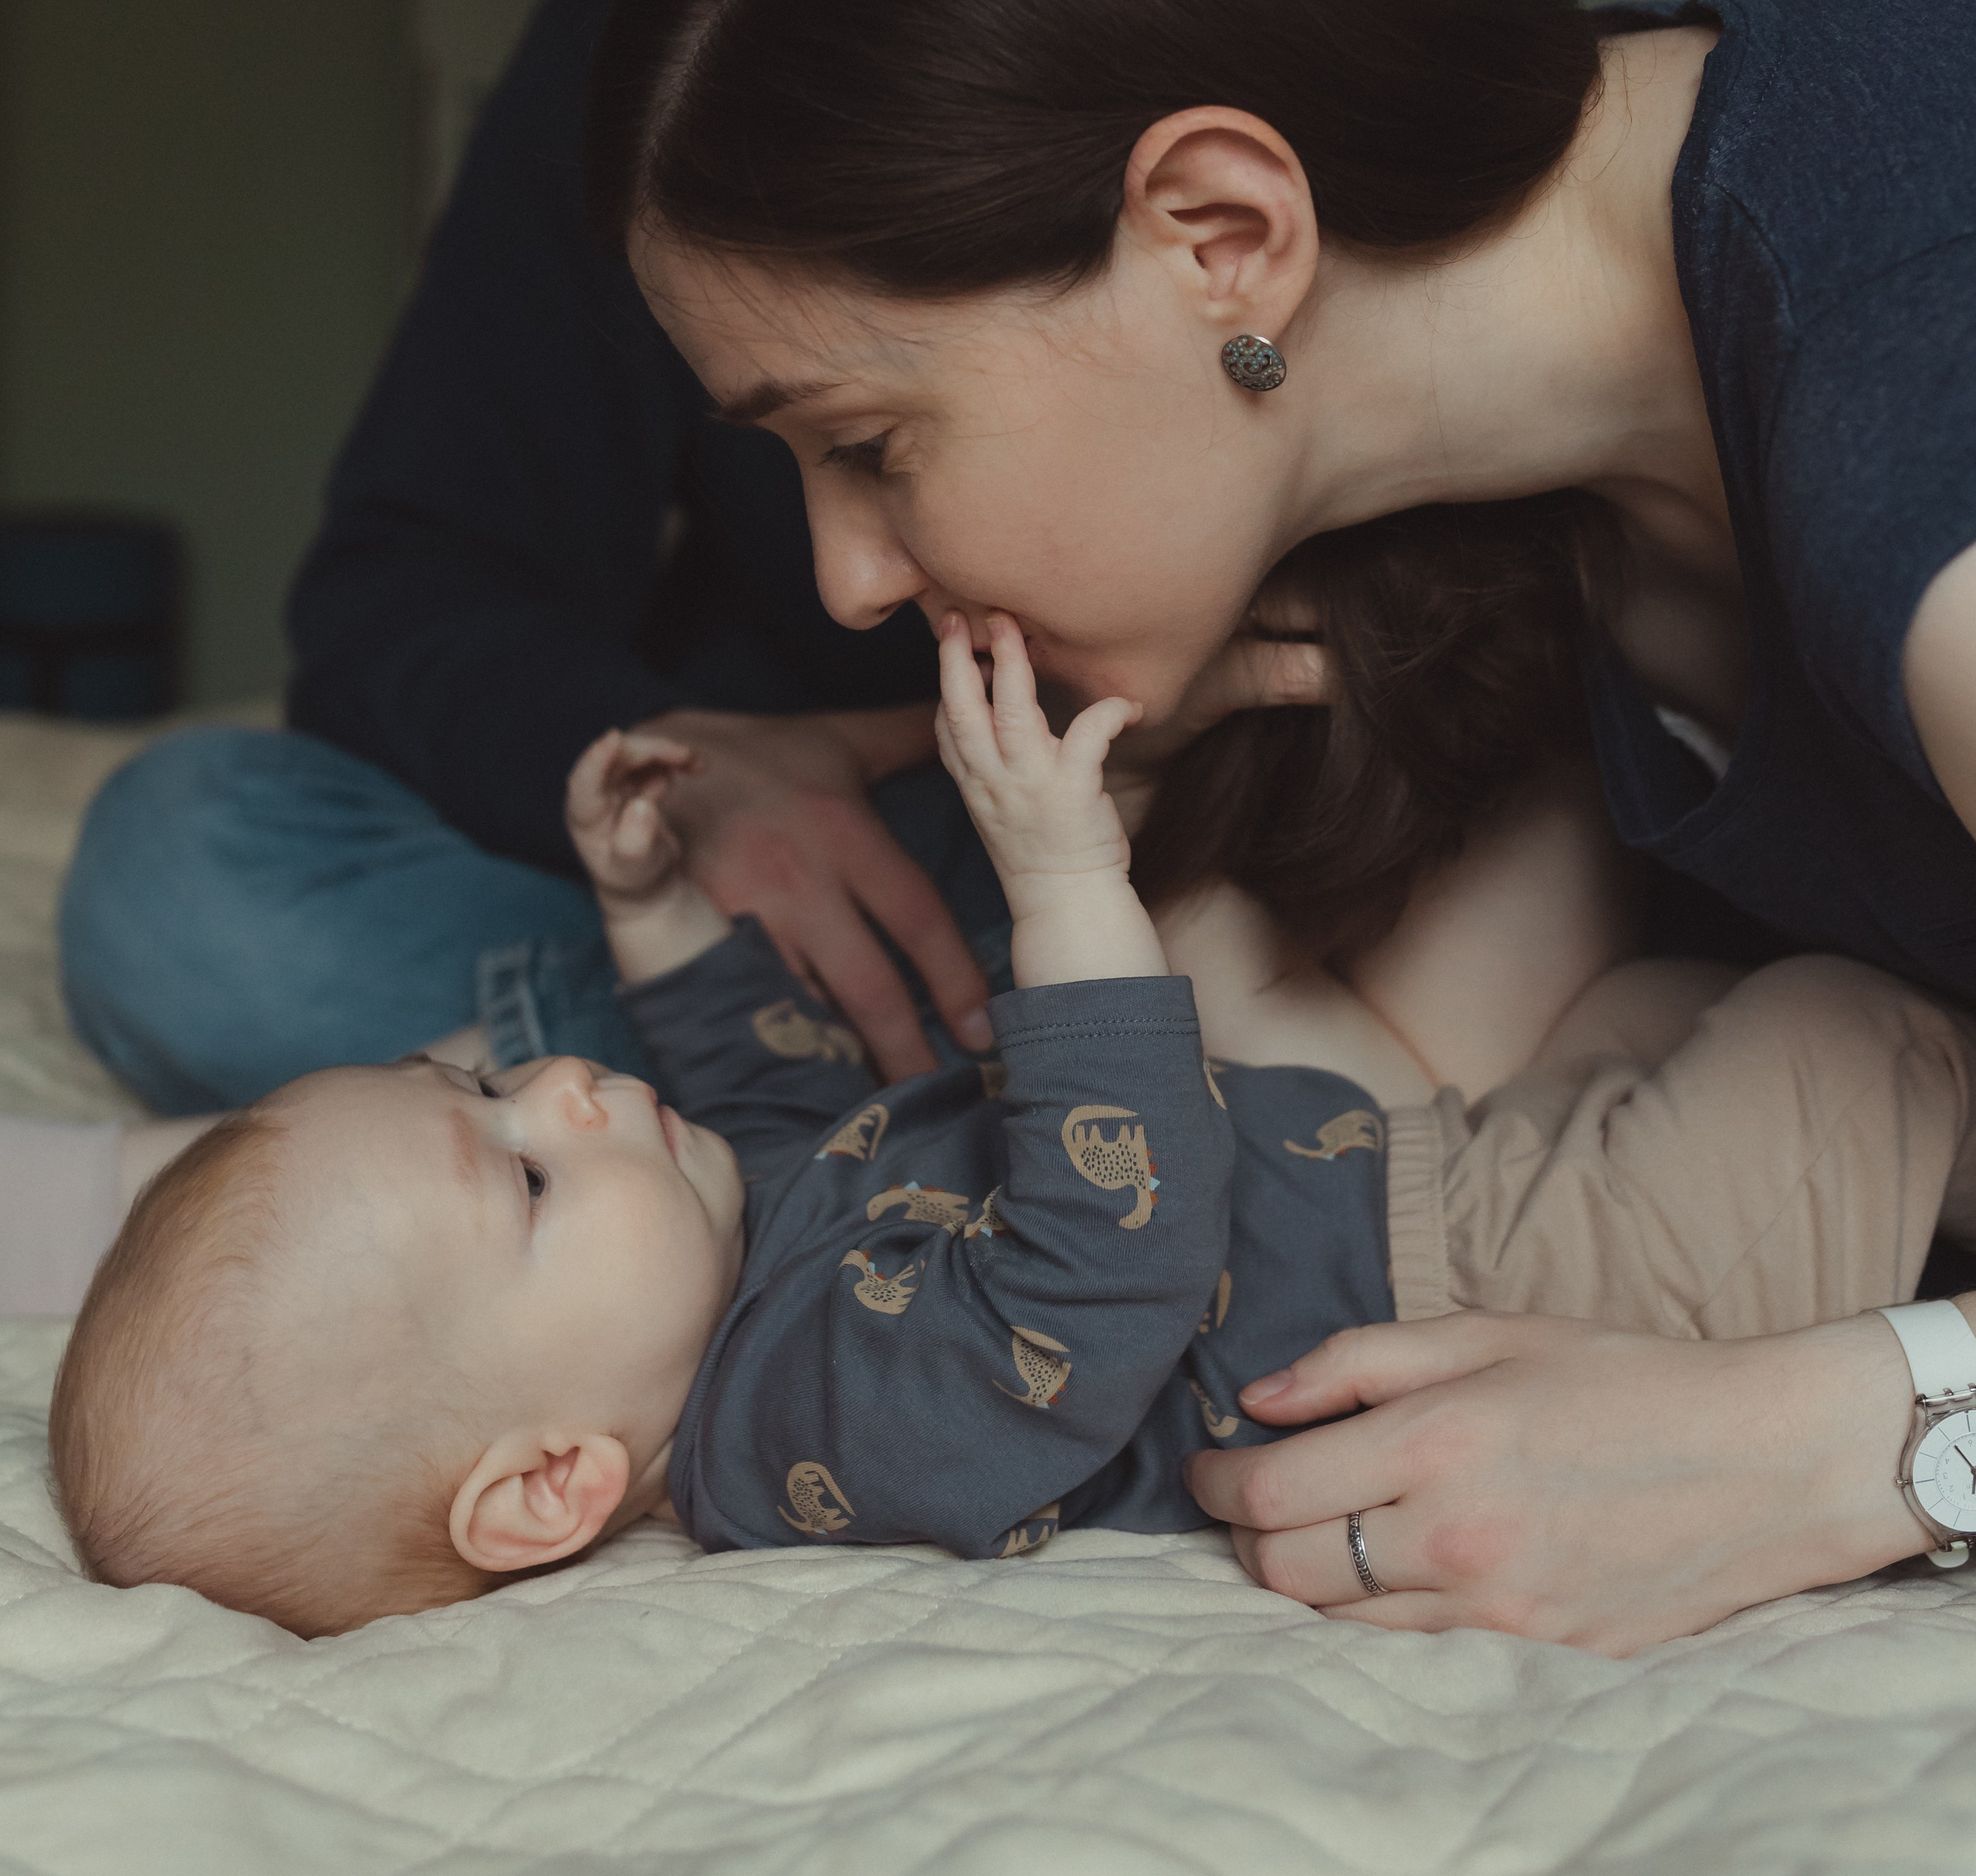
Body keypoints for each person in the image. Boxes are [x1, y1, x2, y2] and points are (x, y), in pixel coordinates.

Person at [25, 0, 1548, 1307]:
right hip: (808, 892)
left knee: (1482, 914)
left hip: (1235, 866)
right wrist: (699, 788)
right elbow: (400, 584)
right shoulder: (656, 57)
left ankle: (814, 1152)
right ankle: (932, 1142)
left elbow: (1521, 634)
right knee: (186, 873)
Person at [571, 0, 1976, 1651]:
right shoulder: (1535, 417)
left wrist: (1817, 1449)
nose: (846, 581)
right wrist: (863, 752)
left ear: (1221, 235)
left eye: (869, 445)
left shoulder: (1906, 417)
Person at [49, 617, 1976, 1640]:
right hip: (1487, 1280)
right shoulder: (810, 1433)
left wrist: (650, 917)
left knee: (1663, 1013)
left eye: (479, 1080)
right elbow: (1100, 1262)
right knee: (1857, 1035)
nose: (555, 1088)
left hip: (1421, 1162)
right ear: (555, 1484)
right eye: (526, 1173)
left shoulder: (713, 1292)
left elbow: (772, 1096)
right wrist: (1062, 894)